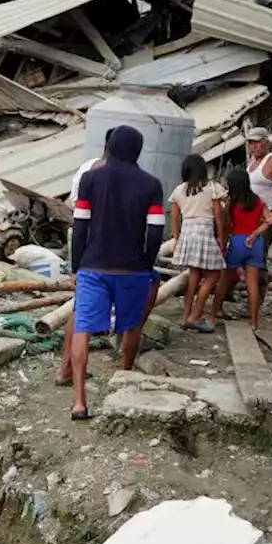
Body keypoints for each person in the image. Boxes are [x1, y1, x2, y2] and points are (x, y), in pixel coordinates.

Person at [69, 126, 166, 420]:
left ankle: (79, 402)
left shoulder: (90, 179)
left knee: (82, 328)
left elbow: (80, 226)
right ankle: (124, 377)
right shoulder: (151, 184)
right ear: (138, 150)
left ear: (110, 146)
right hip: (132, 268)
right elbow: (156, 230)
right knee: (132, 325)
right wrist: (146, 263)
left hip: (93, 265)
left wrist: (76, 266)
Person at [58, 130, 115, 387]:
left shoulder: (87, 167)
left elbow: (73, 205)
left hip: (84, 241)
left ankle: (68, 369)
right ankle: (66, 371)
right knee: (83, 311)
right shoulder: (108, 173)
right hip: (99, 246)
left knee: (81, 309)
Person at [211, 168, 272, 332]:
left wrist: (223, 245)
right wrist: (255, 233)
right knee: (252, 284)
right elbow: (269, 221)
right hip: (255, 244)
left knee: (224, 281)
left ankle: (213, 313)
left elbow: (226, 228)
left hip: (237, 241)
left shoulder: (232, 204)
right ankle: (254, 322)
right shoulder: (259, 201)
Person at [170, 154, 228, 334]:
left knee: (193, 275)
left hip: (187, 231)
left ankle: (185, 316)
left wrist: (177, 236)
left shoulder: (180, 189)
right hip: (204, 232)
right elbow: (219, 217)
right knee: (213, 275)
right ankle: (196, 315)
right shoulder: (212, 188)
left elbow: (173, 216)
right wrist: (221, 237)